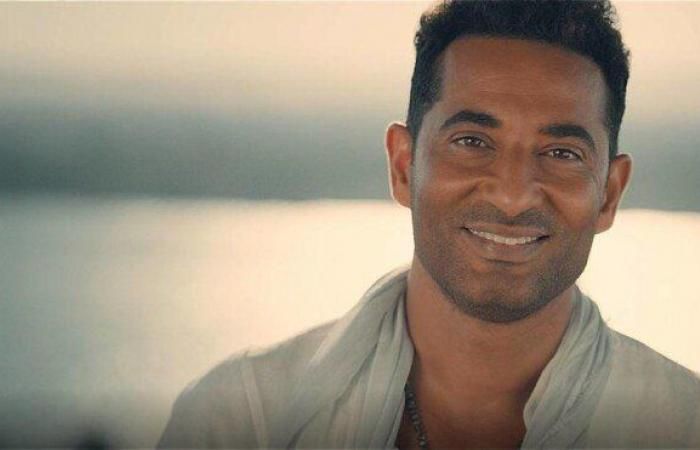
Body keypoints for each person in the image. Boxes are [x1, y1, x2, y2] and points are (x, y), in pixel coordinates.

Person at [158, 1, 700, 448]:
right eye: (472, 142)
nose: (512, 195)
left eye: (561, 153)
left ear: (608, 194)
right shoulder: (242, 421)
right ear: (403, 166)